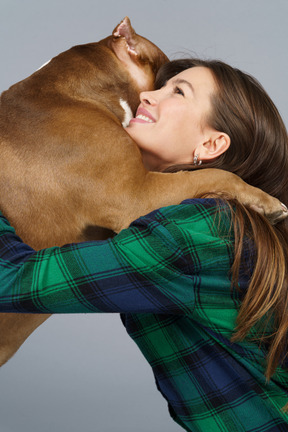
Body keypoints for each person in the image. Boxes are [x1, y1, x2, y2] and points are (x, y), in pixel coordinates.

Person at [1, 58, 288, 432]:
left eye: (178, 91)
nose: (146, 94)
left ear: (212, 143)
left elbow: (10, 281)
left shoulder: (192, 234)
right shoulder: (219, 223)